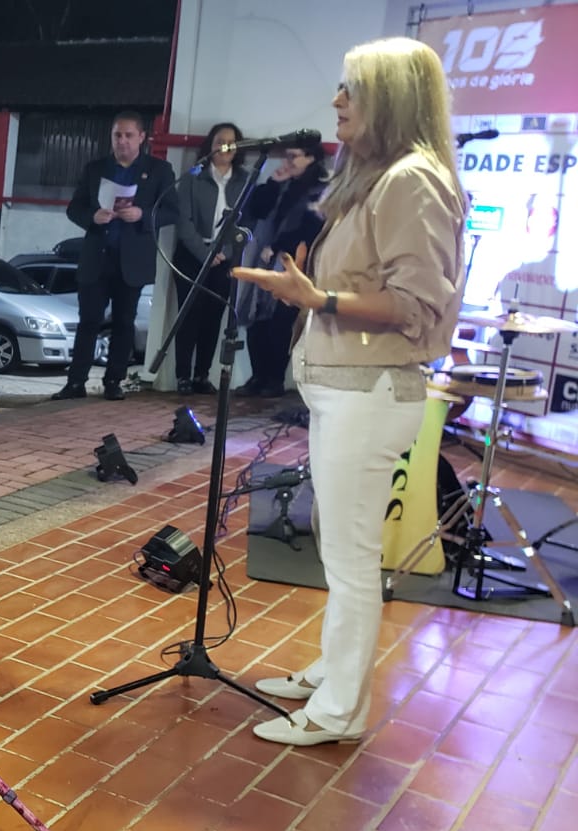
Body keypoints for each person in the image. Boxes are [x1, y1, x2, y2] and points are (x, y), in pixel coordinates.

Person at [233, 37, 465, 746]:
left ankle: (339, 711)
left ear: (390, 98)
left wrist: (320, 298)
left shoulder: (412, 181)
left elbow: (416, 303)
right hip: (346, 390)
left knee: (353, 556)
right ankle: (331, 674)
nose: (336, 101)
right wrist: (310, 291)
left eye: (351, 89)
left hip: (370, 392)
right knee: (339, 547)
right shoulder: (375, 176)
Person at [54, 112, 177, 401]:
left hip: (131, 260)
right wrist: (92, 216)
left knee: (124, 321)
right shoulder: (95, 168)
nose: (122, 141)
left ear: (142, 137)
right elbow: (74, 208)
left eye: (128, 135)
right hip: (97, 256)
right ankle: (75, 382)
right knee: (89, 321)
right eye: (117, 135)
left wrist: (142, 214)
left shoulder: (158, 170)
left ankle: (114, 381)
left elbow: (172, 211)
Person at [237, 134, 329, 399]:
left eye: (294, 156)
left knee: (280, 323)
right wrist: (273, 183)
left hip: (293, 263)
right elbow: (256, 211)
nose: (288, 161)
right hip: (265, 259)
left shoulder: (320, 189)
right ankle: (258, 376)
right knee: (257, 318)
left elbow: (312, 228)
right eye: (286, 156)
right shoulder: (283, 184)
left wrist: (279, 247)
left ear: (311, 158)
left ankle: (274, 378)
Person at [172, 122, 252, 395]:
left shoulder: (244, 180)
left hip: (225, 258)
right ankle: (183, 376)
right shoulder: (193, 178)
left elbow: (247, 222)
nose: (224, 147)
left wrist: (226, 252)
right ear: (210, 145)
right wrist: (205, 253)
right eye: (219, 141)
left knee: (213, 317)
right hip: (193, 255)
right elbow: (184, 223)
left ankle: (201, 375)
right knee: (188, 315)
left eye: (230, 142)